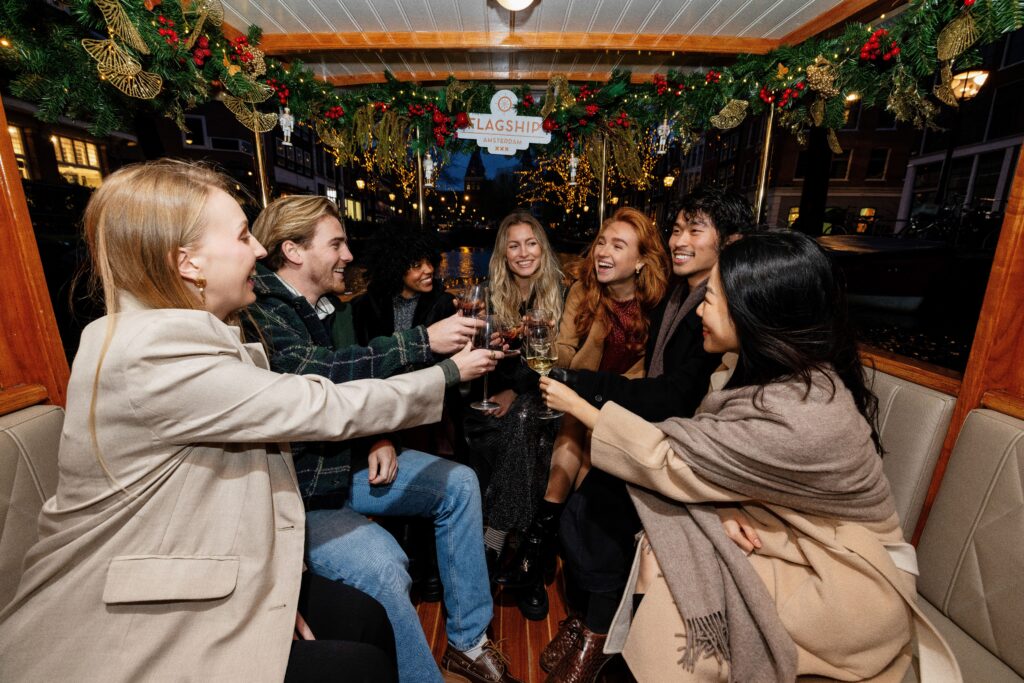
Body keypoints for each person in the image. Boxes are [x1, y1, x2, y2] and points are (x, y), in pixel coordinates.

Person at [0, 159, 492, 682]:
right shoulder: (156, 355)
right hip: (129, 608)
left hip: (201, 555)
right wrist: (444, 372)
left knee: (374, 608)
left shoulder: (197, 332)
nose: (259, 249)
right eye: (241, 235)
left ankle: (466, 641)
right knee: (369, 621)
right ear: (188, 263)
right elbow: (317, 400)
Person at [541, 232, 958, 682]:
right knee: (650, 531)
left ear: (755, 314)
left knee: (665, 562)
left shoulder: (802, 412)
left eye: (712, 300)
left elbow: (675, 457)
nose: (699, 309)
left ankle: (623, 659)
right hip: (790, 534)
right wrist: (726, 506)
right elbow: (713, 453)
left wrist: (581, 407)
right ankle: (609, 643)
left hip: (843, 581)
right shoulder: (767, 375)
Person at [246, 196, 520, 683]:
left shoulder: (317, 306)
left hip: (335, 463)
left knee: (458, 483)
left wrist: (377, 436)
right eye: (337, 244)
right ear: (292, 250)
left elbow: (346, 387)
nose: (349, 256)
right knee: (385, 564)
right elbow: (325, 375)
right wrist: (427, 346)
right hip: (299, 491)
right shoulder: (262, 313)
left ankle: (468, 644)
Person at [529, 187, 755, 678]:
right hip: (655, 428)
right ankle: (585, 615)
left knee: (595, 515)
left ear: (730, 241)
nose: (679, 240)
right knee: (577, 505)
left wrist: (583, 388)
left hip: (681, 442)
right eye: (676, 229)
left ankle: (600, 632)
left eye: (695, 230)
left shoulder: (719, 306)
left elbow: (673, 397)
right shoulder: (679, 294)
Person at [499, 207, 669, 626]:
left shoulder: (658, 305)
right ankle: (540, 537)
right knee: (572, 423)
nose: (603, 253)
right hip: (582, 400)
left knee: (583, 425)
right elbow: (568, 358)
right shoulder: (584, 292)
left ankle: (538, 536)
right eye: (601, 243)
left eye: (618, 245)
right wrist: (537, 339)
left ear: (642, 259)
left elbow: (644, 379)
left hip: (627, 407)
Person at [458, 211, 565, 605]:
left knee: (523, 419)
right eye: (514, 244)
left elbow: (560, 363)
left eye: (531, 243)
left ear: (543, 248)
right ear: (503, 252)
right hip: (505, 397)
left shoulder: (563, 293)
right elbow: (481, 359)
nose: (523, 253)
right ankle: (531, 561)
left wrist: (515, 395)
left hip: (550, 398)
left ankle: (495, 541)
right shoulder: (489, 295)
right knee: (520, 434)